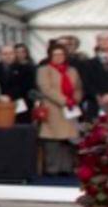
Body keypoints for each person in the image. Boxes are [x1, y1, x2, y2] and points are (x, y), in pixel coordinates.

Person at [33, 41, 84, 175]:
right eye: (55, 54)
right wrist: (64, 101)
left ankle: (66, 168)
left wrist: (75, 99)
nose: (59, 57)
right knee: (52, 140)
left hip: (71, 110)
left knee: (68, 140)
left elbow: (78, 87)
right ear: (50, 56)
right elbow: (46, 89)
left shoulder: (72, 70)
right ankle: (52, 168)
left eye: (61, 54)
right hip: (53, 108)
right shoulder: (44, 70)